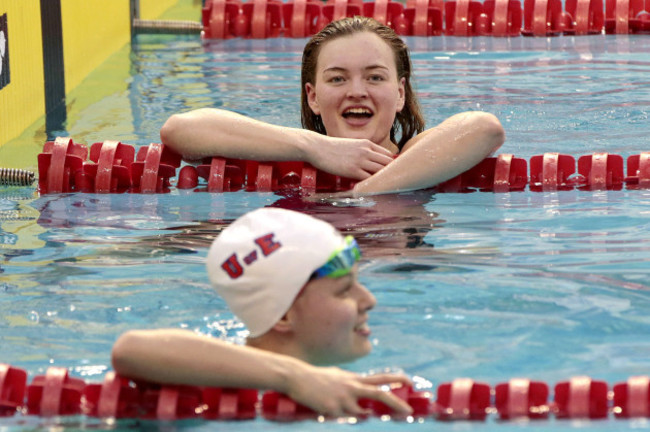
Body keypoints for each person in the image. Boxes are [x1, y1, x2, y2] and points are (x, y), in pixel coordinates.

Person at [111, 207, 414, 417]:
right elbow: (130, 350)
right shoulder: (218, 387)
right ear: (283, 316)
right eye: (344, 290)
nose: (370, 300)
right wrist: (296, 377)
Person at [159, 17, 505, 195]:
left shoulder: (416, 158)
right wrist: (311, 145)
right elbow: (179, 130)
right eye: (337, 79)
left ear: (400, 94)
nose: (357, 92)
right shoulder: (287, 160)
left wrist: (364, 193)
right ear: (313, 97)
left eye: (374, 78)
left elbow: (485, 127)